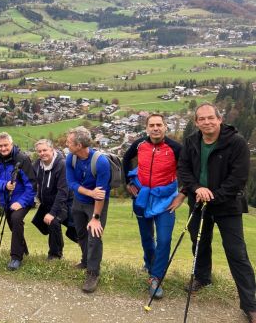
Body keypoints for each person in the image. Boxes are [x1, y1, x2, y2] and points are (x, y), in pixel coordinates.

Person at [177, 102, 256, 322]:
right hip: (197, 202)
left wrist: (213, 196)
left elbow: (238, 178)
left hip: (227, 205)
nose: (207, 122)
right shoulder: (192, 141)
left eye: (211, 117)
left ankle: (250, 304)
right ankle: (203, 278)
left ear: (220, 119)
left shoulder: (237, 143)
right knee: (199, 242)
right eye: (201, 119)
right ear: (196, 122)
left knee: (236, 253)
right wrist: (196, 189)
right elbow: (183, 170)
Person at [122, 114, 182, 299]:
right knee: (147, 238)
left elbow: (189, 170)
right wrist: (128, 183)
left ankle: (156, 277)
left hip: (165, 200)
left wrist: (182, 195)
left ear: (165, 127)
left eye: (159, 125)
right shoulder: (139, 144)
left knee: (164, 240)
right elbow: (125, 160)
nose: (155, 128)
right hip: (142, 198)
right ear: (146, 128)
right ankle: (150, 265)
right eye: (152, 125)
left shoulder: (176, 148)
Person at [65, 126, 111, 293]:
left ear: (79, 145)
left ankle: (93, 273)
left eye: (69, 142)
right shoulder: (71, 158)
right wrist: (89, 192)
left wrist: (96, 217)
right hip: (79, 201)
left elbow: (101, 194)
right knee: (81, 234)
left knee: (94, 236)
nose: (66, 144)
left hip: (96, 204)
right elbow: (71, 183)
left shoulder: (101, 162)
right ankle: (85, 261)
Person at [0, 132, 36, 271]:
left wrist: (21, 202)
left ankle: (16, 257)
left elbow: (31, 184)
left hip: (23, 200)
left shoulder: (22, 159)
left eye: (6, 145)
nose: (3, 148)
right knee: (14, 226)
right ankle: (25, 252)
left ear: (11, 144)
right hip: (6, 200)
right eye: (0, 146)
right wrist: (4, 185)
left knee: (16, 219)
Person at [32, 139, 75, 260]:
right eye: (39, 151)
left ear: (52, 149)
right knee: (41, 223)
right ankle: (55, 253)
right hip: (47, 202)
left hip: (64, 203)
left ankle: (55, 255)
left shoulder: (61, 164)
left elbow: (63, 192)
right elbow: (31, 178)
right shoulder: (38, 164)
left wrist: (52, 213)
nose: (42, 153)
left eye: (45, 150)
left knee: (60, 224)